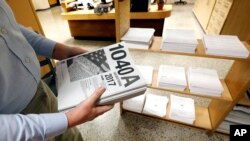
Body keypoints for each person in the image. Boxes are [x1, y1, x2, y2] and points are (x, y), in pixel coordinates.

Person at [0, 0, 114, 140]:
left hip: (41, 90)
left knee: (73, 137)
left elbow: (11, 29)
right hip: (16, 123)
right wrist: (69, 119)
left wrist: (63, 51)